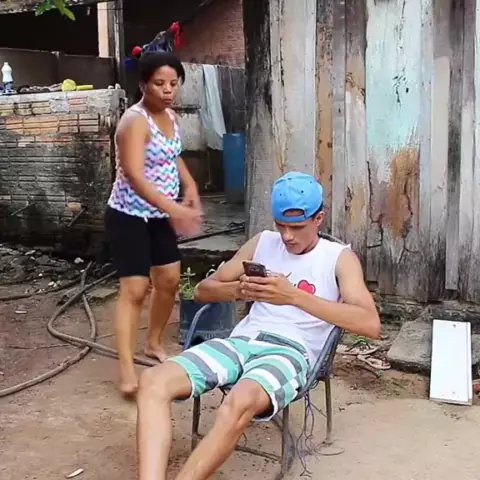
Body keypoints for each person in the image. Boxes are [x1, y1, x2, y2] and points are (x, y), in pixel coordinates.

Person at [136, 171, 381, 480]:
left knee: (238, 403)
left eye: (297, 227)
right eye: (281, 225)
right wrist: (240, 290)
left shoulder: (338, 258)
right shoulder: (263, 243)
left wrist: (292, 296)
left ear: (319, 218)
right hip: (242, 342)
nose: (287, 236)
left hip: (290, 353)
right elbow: (202, 291)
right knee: (153, 382)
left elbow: (370, 324)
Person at [105, 52, 203, 396]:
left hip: (160, 215)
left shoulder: (171, 116)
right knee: (134, 289)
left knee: (170, 280)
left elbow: (173, 155)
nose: (167, 90)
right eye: (159, 83)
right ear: (143, 84)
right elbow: (133, 175)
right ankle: (127, 371)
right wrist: (174, 209)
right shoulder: (134, 122)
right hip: (129, 216)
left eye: (173, 83)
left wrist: (190, 186)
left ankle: (153, 342)